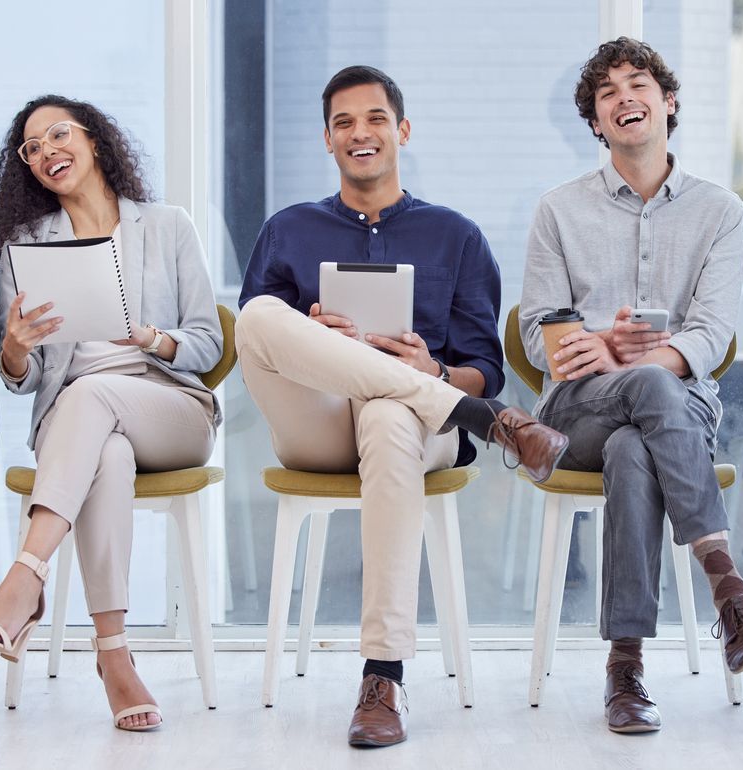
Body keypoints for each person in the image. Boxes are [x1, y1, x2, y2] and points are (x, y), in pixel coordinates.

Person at [237, 65, 568, 748]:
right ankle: (494, 425)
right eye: (344, 123)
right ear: (326, 140)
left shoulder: (457, 236)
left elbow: (485, 366)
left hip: (419, 428)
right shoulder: (287, 230)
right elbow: (259, 344)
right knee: (262, 314)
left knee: (390, 411)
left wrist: (433, 369)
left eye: (376, 119)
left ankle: (382, 677)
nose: (361, 133)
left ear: (403, 131)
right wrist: (316, 339)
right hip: (318, 423)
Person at [519, 38, 743, 735]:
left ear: (669, 103)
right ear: (597, 123)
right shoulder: (558, 210)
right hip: (577, 409)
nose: (624, 97)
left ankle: (624, 669)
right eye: (607, 93)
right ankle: (729, 588)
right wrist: (603, 346)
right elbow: (539, 328)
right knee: (641, 405)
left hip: (673, 403)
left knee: (639, 446)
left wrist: (647, 362)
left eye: (639, 84)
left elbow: (715, 331)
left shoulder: (720, 210)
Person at [0, 96, 222, 732]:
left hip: (170, 404)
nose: (47, 150)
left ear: (94, 141)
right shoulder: (23, 246)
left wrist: (153, 338)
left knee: (94, 395)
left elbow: (209, 343)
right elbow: (21, 382)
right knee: (104, 447)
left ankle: (26, 577)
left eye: (58, 134)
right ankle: (115, 656)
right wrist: (15, 351)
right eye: (31, 147)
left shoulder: (166, 226)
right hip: (77, 421)